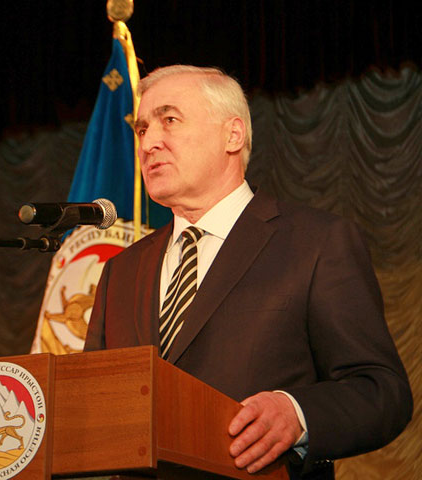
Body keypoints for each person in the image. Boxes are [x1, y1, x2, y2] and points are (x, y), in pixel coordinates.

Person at [83, 65, 412, 479]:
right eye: (142, 129)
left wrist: (297, 413)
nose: (149, 143)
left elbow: (381, 391)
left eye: (170, 120)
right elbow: (89, 405)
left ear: (233, 135)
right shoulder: (121, 270)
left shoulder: (316, 242)